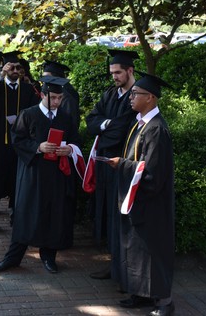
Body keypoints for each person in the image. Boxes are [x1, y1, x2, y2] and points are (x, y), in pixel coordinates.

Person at [0, 76, 80, 274]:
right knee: (26, 213)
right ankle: (13, 257)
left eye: (60, 98)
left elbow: (75, 141)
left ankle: (49, 255)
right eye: (53, 97)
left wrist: (70, 149)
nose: (57, 102)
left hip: (57, 175)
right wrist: (38, 147)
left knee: (53, 214)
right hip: (33, 173)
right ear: (42, 94)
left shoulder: (65, 117)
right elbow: (17, 139)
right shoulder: (28, 114)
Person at [105, 72, 175, 316]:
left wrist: (121, 164)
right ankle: (142, 295)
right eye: (132, 93)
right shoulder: (140, 122)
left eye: (137, 94)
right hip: (136, 199)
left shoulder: (156, 129)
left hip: (151, 201)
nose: (131, 97)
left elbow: (152, 171)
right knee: (137, 249)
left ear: (151, 98)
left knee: (153, 251)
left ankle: (164, 303)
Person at [85, 49, 139, 280]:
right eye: (112, 73)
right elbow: (90, 120)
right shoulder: (110, 94)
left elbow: (121, 132)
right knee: (107, 213)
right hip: (105, 164)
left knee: (120, 215)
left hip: (123, 163)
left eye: (118, 72)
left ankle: (124, 267)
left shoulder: (136, 97)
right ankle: (113, 262)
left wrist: (103, 126)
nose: (114, 77)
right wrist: (106, 124)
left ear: (130, 70)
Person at [0, 54, 39, 234]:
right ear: (5, 68)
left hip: (18, 142)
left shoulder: (28, 90)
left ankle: (15, 215)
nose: (14, 71)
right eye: (10, 67)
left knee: (16, 179)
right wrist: (0, 75)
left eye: (18, 68)